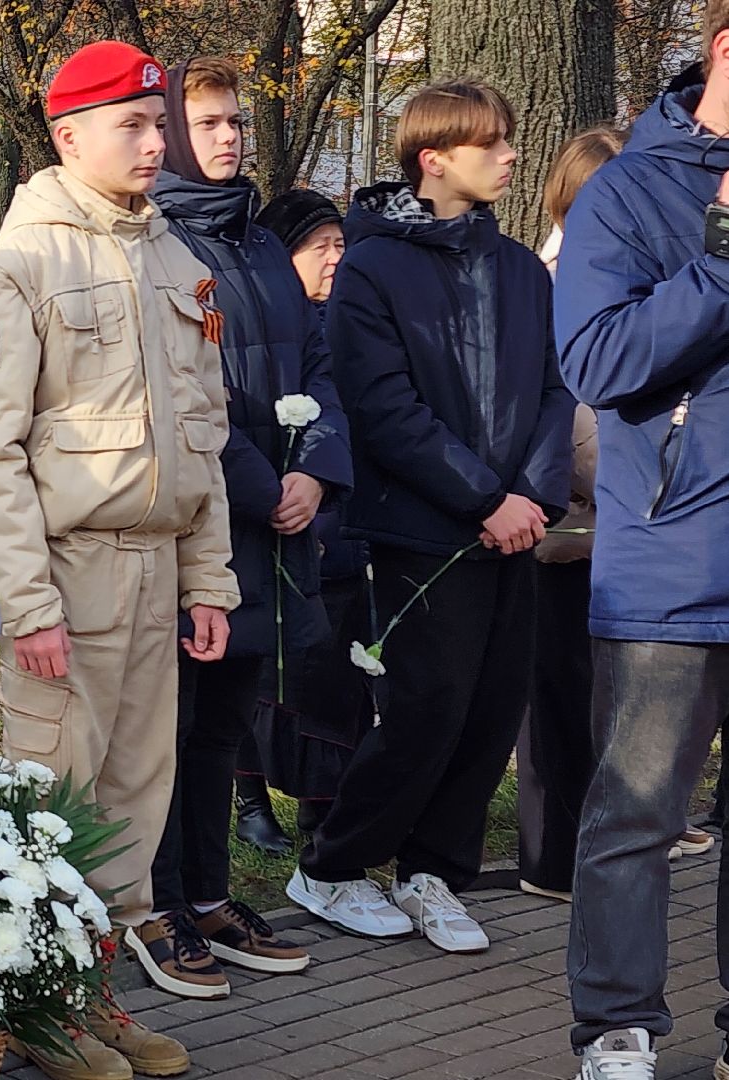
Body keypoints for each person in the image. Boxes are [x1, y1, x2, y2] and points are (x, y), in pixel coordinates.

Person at [0, 40, 239, 1080]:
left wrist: (209, 580)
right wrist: (27, 605)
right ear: (68, 137)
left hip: (158, 573)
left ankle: (93, 999)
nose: (156, 143)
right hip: (68, 576)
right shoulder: (20, 267)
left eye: (159, 123)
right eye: (133, 125)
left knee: (130, 803)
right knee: (53, 802)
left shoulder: (175, 261)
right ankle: (39, 1011)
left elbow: (203, 436)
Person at [288, 81, 572, 955]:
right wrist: (483, 498)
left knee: (491, 711)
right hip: (424, 527)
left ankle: (433, 872)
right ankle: (332, 866)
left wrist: (532, 498)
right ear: (434, 159)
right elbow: (383, 406)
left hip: (516, 526)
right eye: (491, 143)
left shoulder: (519, 267)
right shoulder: (374, 267)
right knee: (426, 709)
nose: (511, 155)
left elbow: (553, 391)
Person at [136, 56, 350, 1000]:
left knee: (225, 727)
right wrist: (267, 485)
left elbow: (319, 364)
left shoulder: (262, 243)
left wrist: (316, 469)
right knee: (174, 726)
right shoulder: (159, 241)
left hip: (273, 528)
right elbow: (190, 396)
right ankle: (159, 902)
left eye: (235, 122)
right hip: (201, 525)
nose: (228, 138)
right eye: (208, 124)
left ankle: (211, 893)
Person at [555, 5, 729, 1074]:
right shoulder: (627, 190)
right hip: (673, 562)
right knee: (635, 817)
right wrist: (722, 257)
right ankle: (615, 1027)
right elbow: (600, 361)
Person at [516, 125, 621, 905]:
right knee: (558, 696)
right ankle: (553, 859)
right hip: (571, 524)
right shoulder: (553, 283)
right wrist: (631, 481)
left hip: (606, 523)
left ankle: (589, 848)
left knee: (594, 695)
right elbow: (574, 411)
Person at [249, 187, 371, 844]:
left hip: (341, 523)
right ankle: (249, 800)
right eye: (319, 246)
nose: (334, 257)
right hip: (277, 522)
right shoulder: (264, 324)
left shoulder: (352, 323)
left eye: (340, 244)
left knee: (333, 679)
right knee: (265, 673)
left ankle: (323, 806)